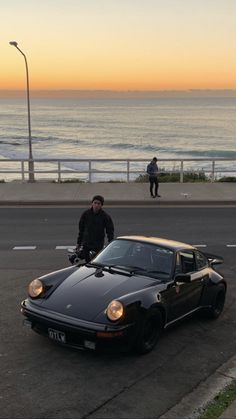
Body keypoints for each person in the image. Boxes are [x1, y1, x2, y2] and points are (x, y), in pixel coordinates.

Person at [76, 195, 114, 263]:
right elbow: (81, 230)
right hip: (87, 243)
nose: (96, 205)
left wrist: (110, 244)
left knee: (97, 263)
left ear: (101, 205)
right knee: (88, 264)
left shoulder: (105, 216)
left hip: (98, 245)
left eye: (99, 203)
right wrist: (79, 243)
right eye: (95, 203)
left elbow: (110, 231)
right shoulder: (86, 214)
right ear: (92, 203)